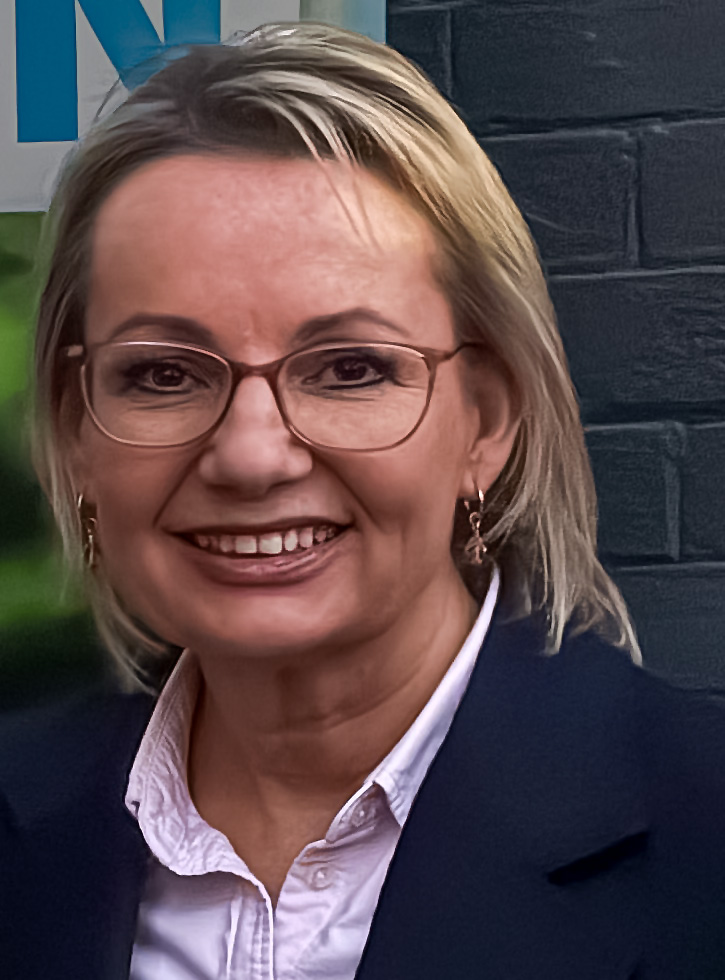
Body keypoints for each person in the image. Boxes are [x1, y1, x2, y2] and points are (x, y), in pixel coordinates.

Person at [2, 21, 725, 980]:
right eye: (164, 374)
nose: (250, 456)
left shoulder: (698, 838)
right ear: (77, 428)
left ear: (486, 421)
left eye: (349, 368)